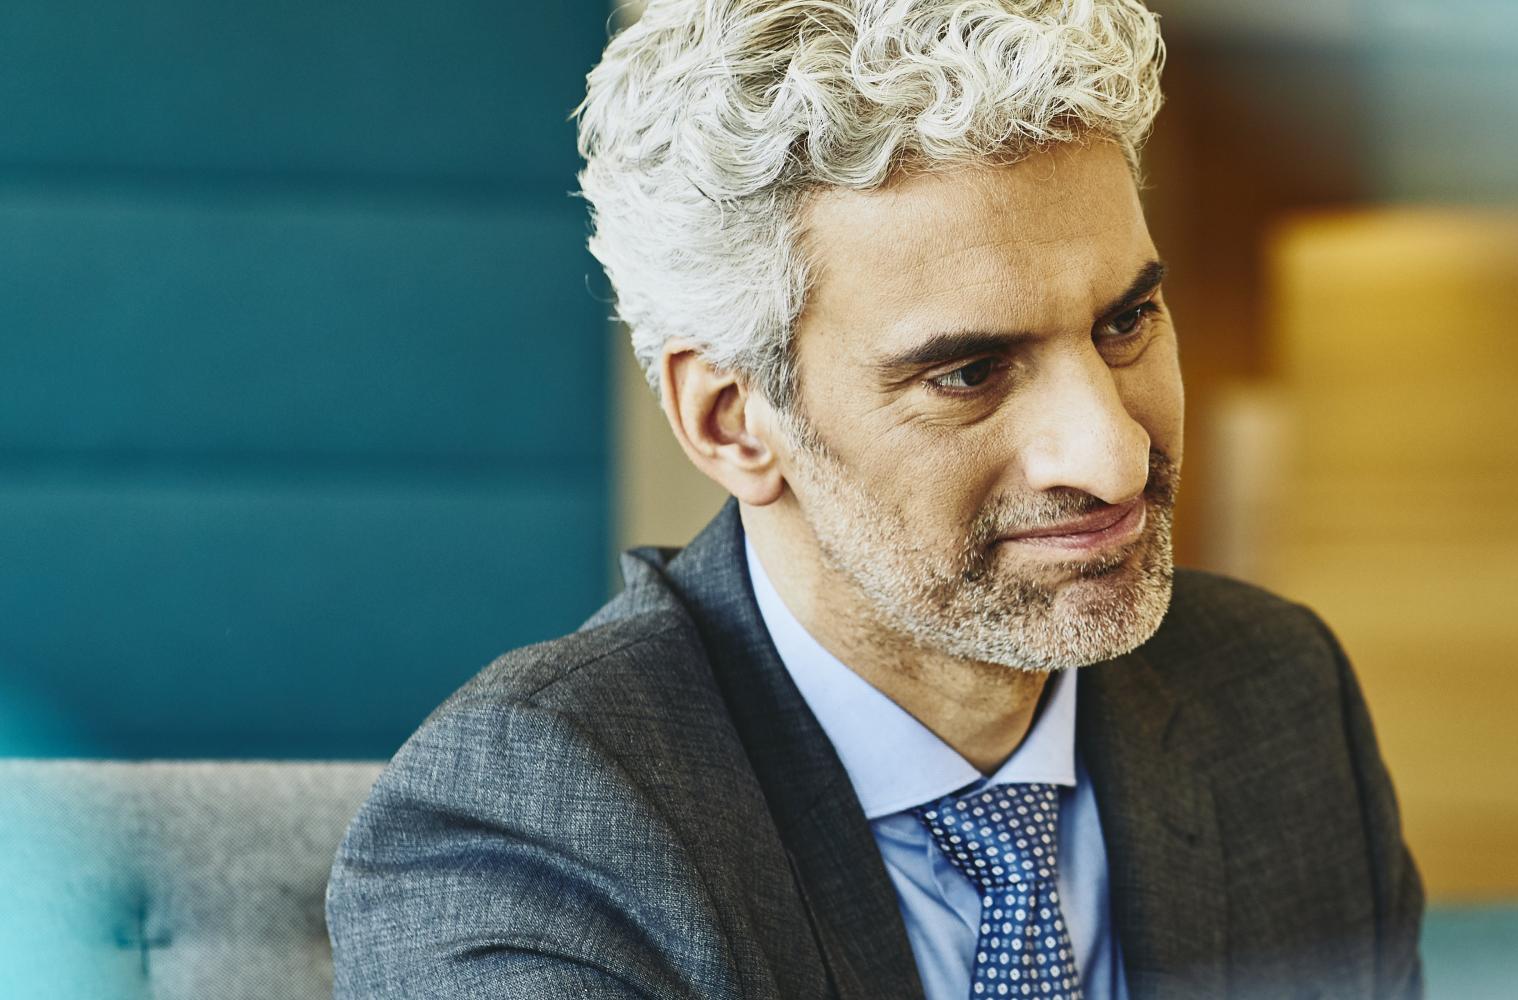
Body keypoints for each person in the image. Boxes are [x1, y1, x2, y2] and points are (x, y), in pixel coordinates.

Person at [323, 1, 1424, 996]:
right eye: (968, 373)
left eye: (1125, 322)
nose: (1114, 456)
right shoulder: (538, 822)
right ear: (730, 421)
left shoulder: (1275, 698)